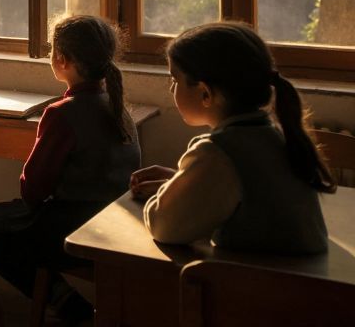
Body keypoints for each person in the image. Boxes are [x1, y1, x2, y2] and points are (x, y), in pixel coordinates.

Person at [0, 15, 139, 324]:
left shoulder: (62, 113)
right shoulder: (118, 107)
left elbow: (33, 191)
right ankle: (63, 299)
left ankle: (64, 301)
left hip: (76, 225)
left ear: (61, 59)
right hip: (116, 221)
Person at [131, 22, 333, 255]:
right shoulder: (272, 135)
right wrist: (179, 183)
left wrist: (163, 195)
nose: (171, 90)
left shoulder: (217, 153)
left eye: (174, 80)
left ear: (205, 93)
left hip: (258, 286)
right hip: (303, 283)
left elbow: (164, 226)